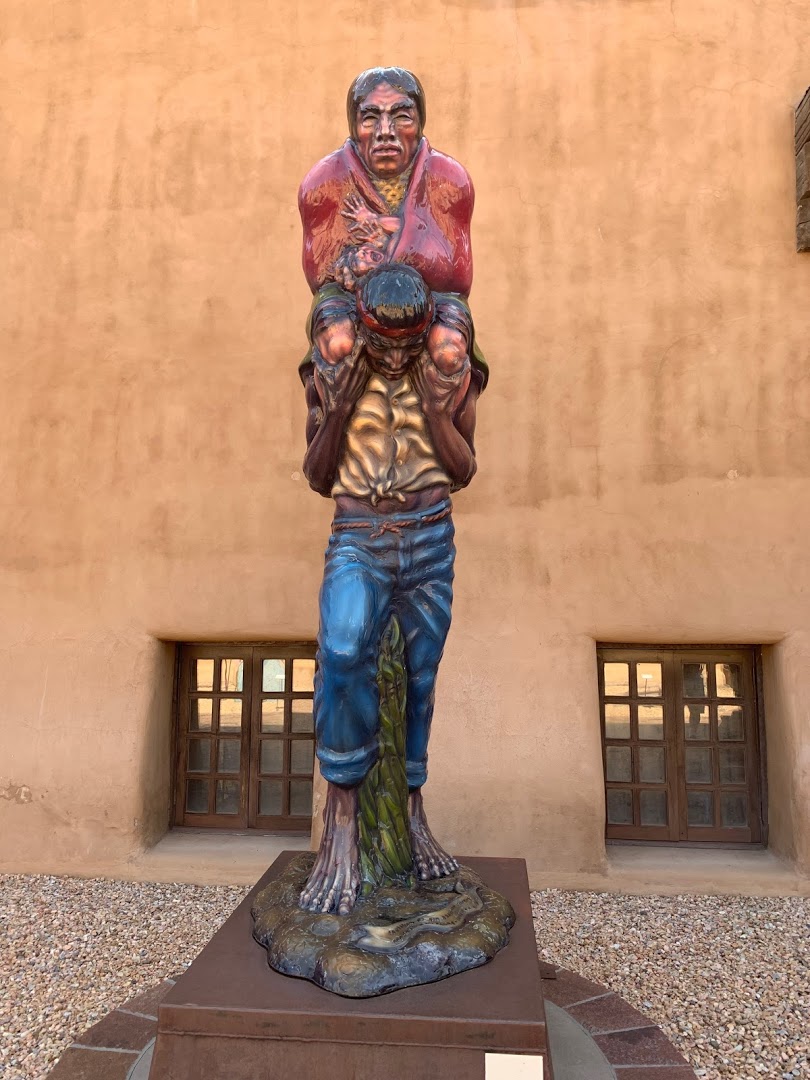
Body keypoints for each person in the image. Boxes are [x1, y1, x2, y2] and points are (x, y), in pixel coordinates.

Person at [299, 264, 482, 915]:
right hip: (359, 534)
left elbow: (463, 468)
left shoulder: (446, 368)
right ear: (366, 329)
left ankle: (411, 807)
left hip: (429, 534)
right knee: (343, 651)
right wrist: (339, 404)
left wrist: (434, 409)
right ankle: (342, 819)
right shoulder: (337, 365)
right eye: (386, 345)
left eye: (410, 345)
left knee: (420, 678)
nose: (399, 359)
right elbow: (318, 475)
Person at [298, 66, 488, 409]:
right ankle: (333, 431)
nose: (385, 132)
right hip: (349, 303)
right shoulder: (323, 182)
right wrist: (392, 245)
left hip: (434, 303)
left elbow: (455, 274)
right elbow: (322, 272)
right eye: (370, 118)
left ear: (419, 122)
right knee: (338, 344)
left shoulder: (450, 180)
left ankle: (445, 432)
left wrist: (383, 235)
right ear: (354, 126)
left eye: (401, 116)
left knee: (449, 351)